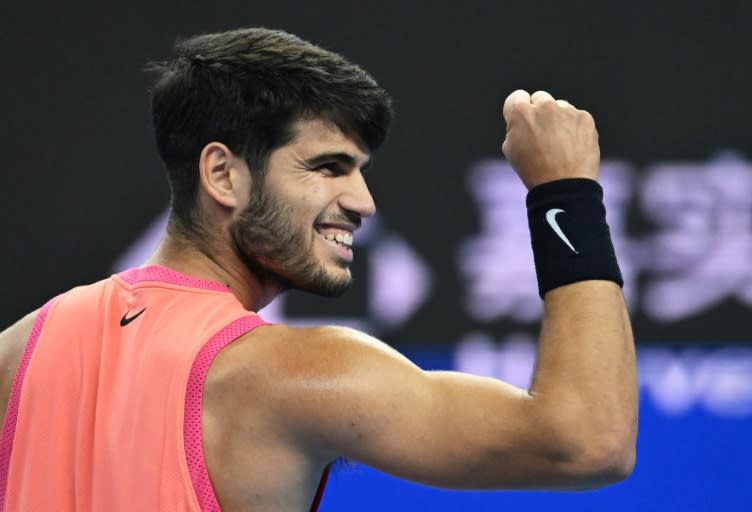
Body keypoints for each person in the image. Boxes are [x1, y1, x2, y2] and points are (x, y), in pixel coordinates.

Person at [0, 27, 636, 512]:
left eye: (360, 171)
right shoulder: (291, 376)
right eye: (328, 168)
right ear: (223, 174)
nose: (363, 202)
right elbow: (587, 440)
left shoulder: (17, 350)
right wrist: (565, 194)